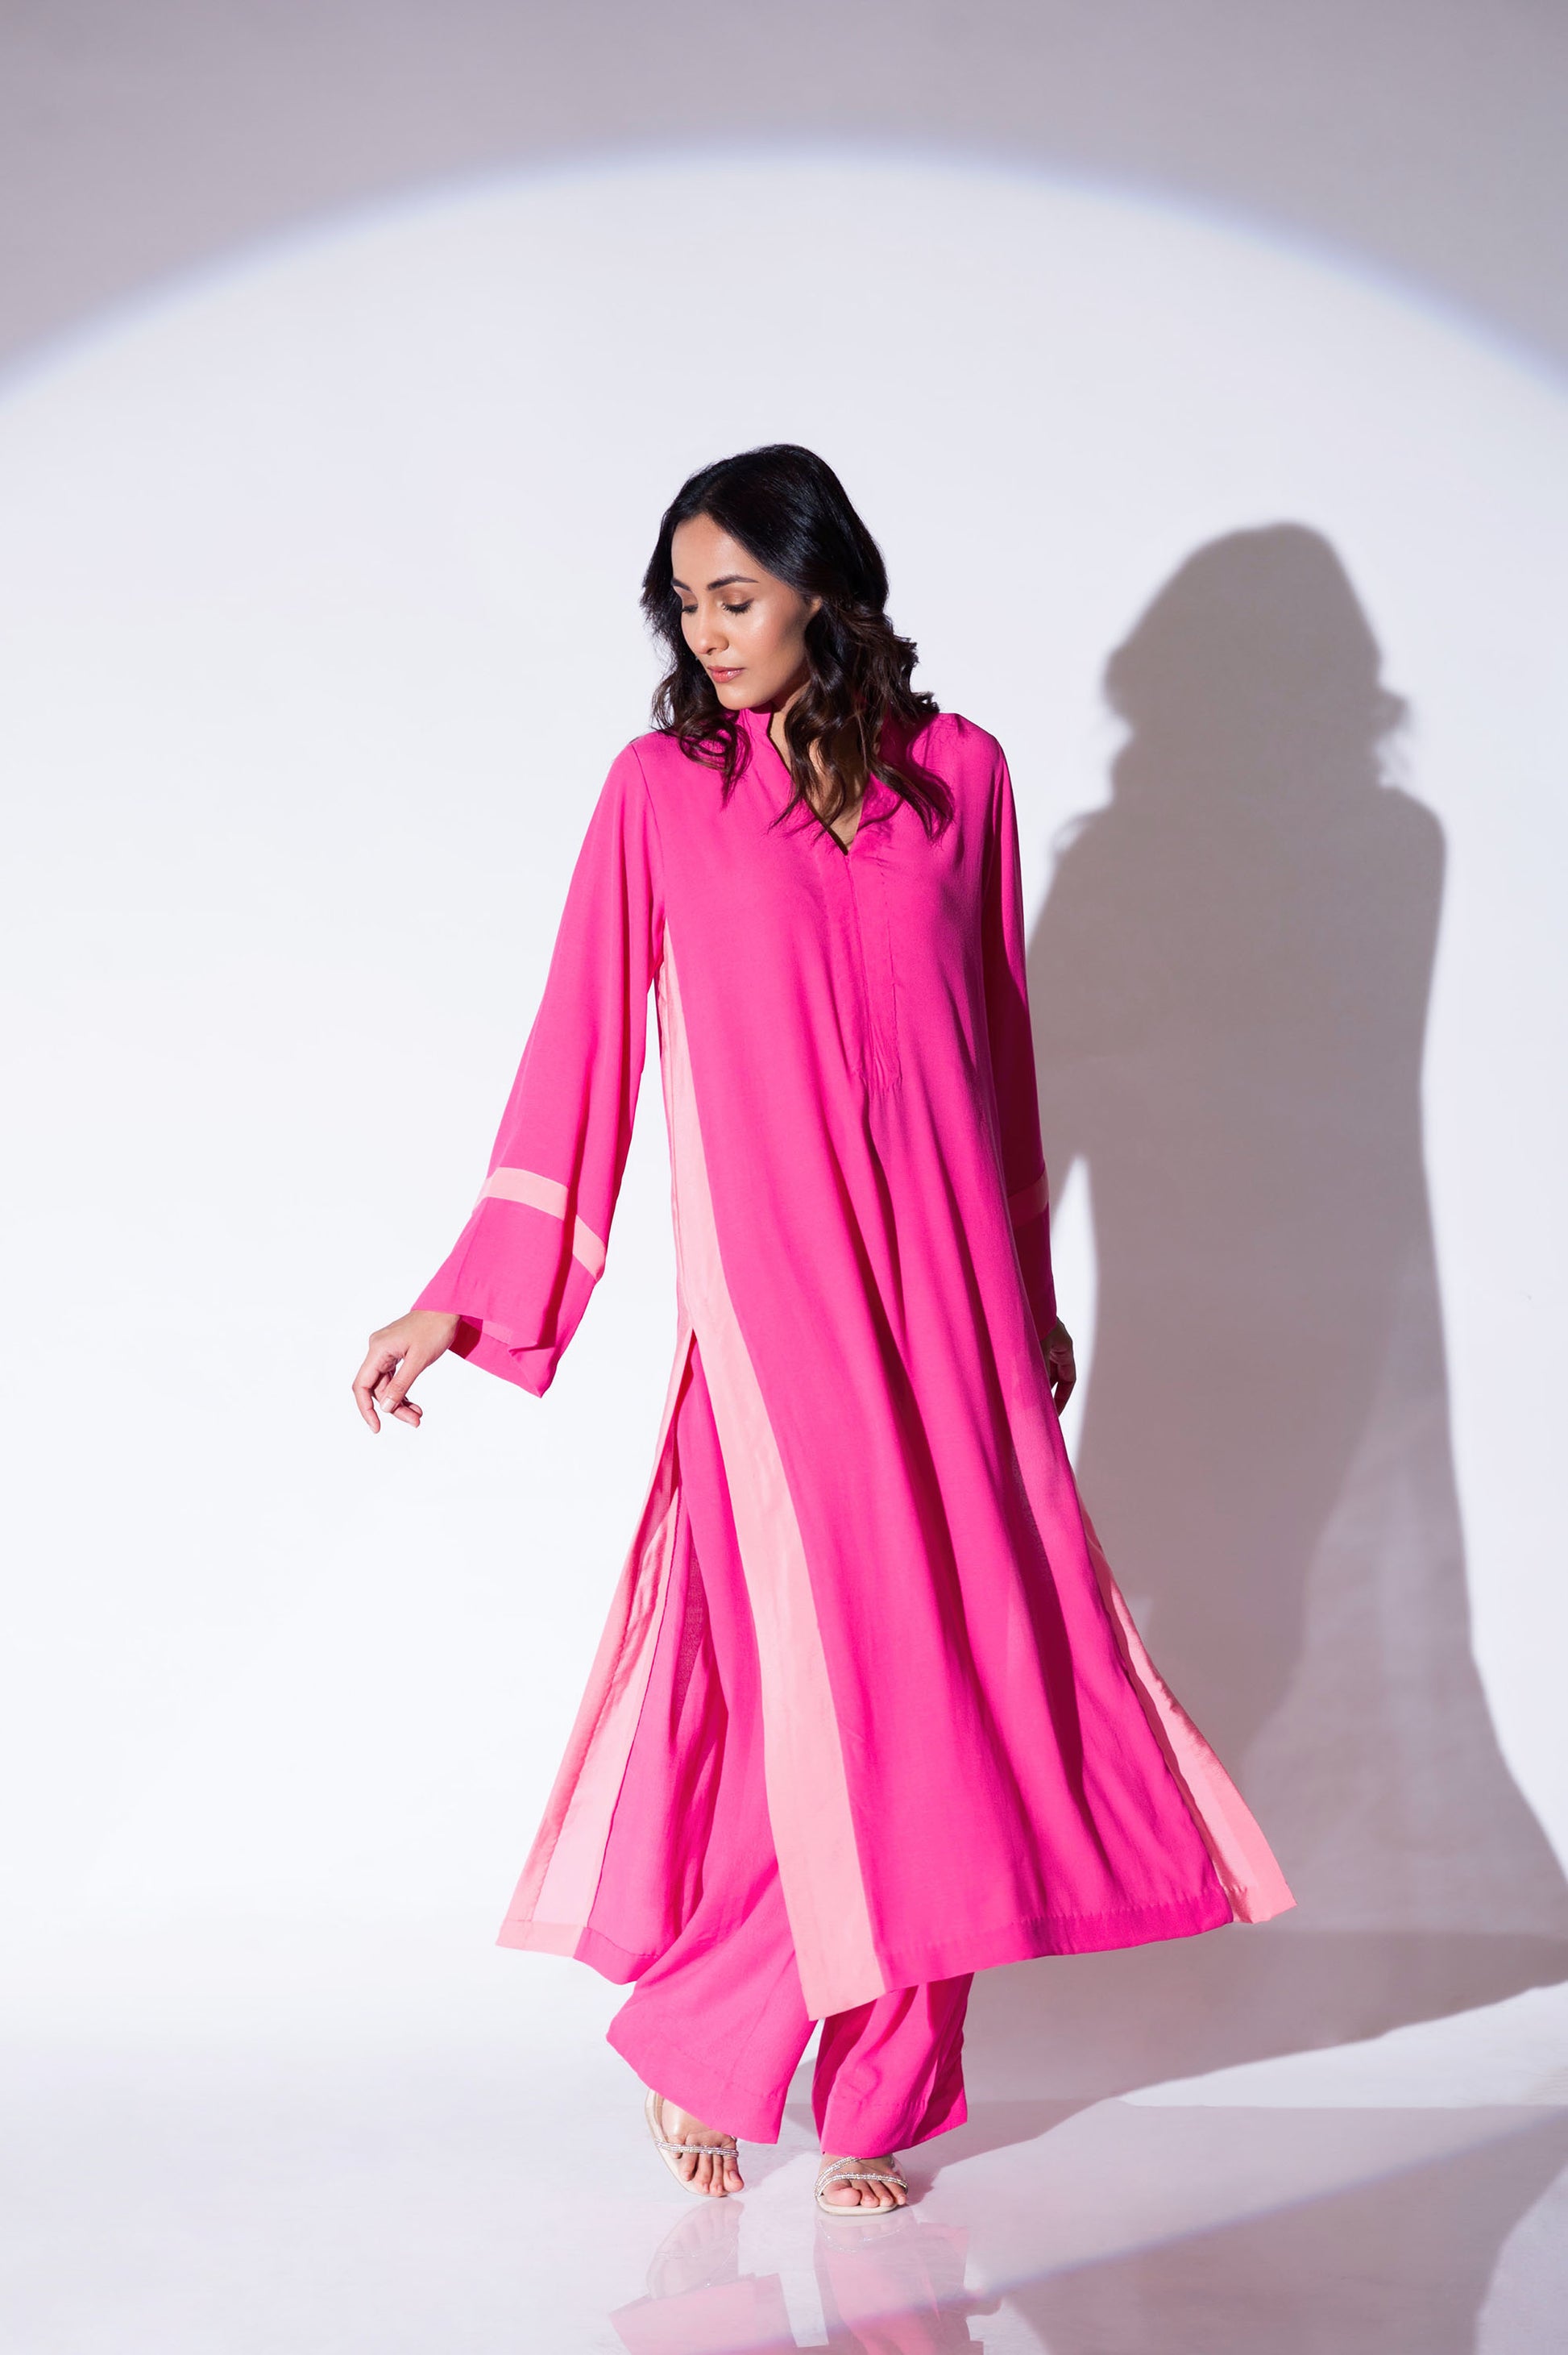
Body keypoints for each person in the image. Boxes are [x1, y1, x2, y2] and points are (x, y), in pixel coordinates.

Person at [351, 444, 1294, 2214]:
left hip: (947, 1307)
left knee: (944, 1696)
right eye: (685, 606)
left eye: (736, 596)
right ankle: (712, 2035)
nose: (707, 634)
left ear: (822, 588)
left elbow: (999, 1050)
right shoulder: (660, 792)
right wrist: (467, 1294)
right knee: (835, 1689)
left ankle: (876, 2086)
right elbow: (579, 1049)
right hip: (775, 1314)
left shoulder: (964, 775)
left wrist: (1026, 1292)